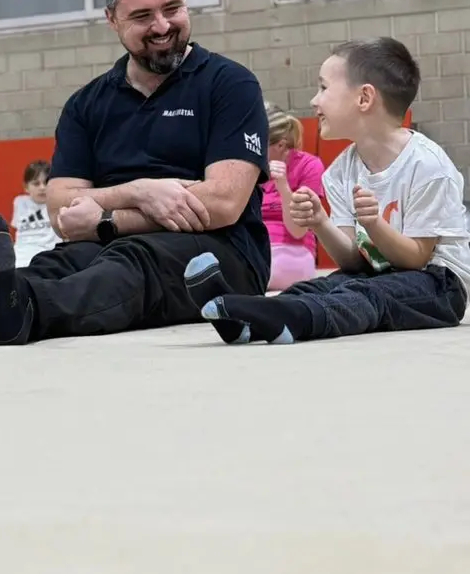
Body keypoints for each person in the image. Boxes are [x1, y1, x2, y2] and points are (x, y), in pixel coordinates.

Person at [0, 0, 270, 347]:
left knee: (131, 259)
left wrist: (107, 220)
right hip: (111, 249)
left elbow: (222, 203)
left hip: (224, 256)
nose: (162, 26)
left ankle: (24, 309)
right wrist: (140, 192)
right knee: (60, 262)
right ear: (112, 19)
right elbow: (61, 208)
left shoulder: (230, 84)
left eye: (172, 9)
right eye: (142, 16)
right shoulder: (87, 104)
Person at [190, 37, 470, 344]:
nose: (314, 101)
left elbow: (416, 259)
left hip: (438, 285)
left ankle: (293, 318)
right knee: (320, 286)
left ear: (364, 98)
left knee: (365, 294)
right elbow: (352, 261)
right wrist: (320, 222)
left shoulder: (427, 165)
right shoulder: (340, 171)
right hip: (378, 273)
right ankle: (242, 322)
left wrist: (374, 225)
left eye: (323, 88)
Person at [262, 102, 325, 290]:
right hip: (255, 248)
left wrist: (283, 186)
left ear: (280, 145)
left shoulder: (309, 165)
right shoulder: (251, 166)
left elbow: (298, 231)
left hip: (293, 251)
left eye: (260, 145)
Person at [12, 159, 61, 268]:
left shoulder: (57, 202)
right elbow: (16, 230)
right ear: (26, 187)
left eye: (46, 183)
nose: (42, 188)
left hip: (47, 252)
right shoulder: (19, 202)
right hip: (21, 252)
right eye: (36, 184)